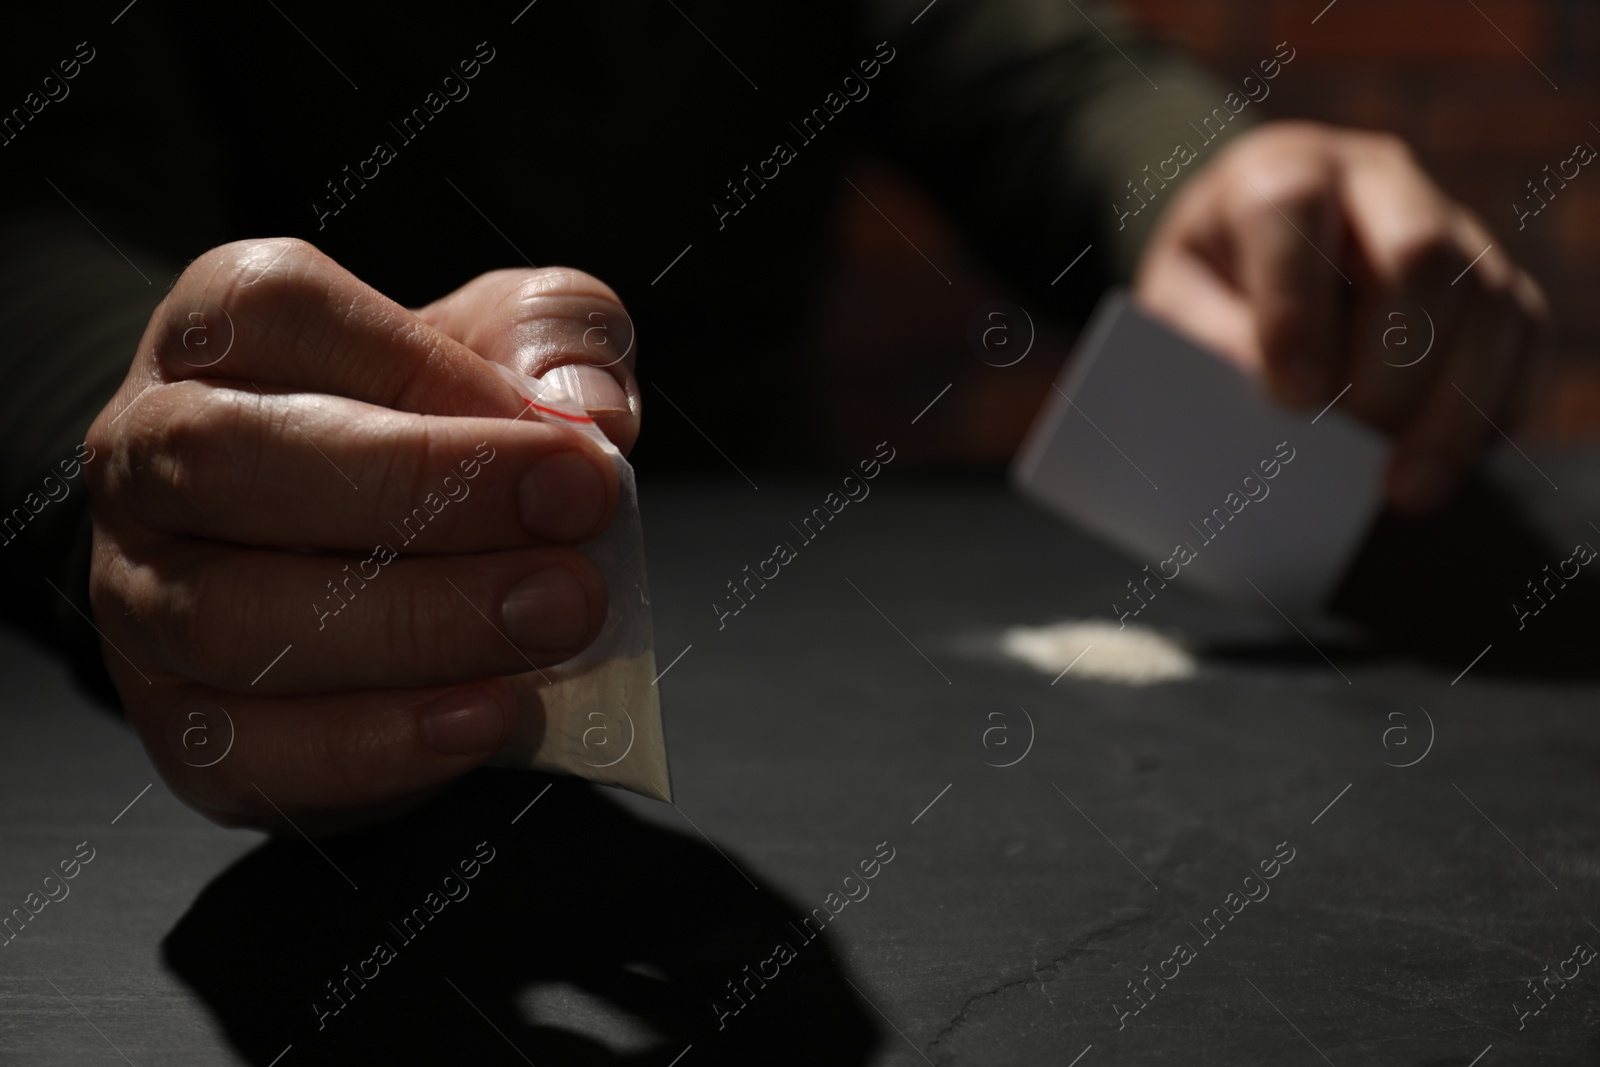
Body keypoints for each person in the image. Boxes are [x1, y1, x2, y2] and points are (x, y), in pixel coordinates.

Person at [0, 0, 1547, 832]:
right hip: (215, 690)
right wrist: (150, 458)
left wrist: (1211, 184)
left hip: (795, 634)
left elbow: (1033, 74)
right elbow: (46, 203)